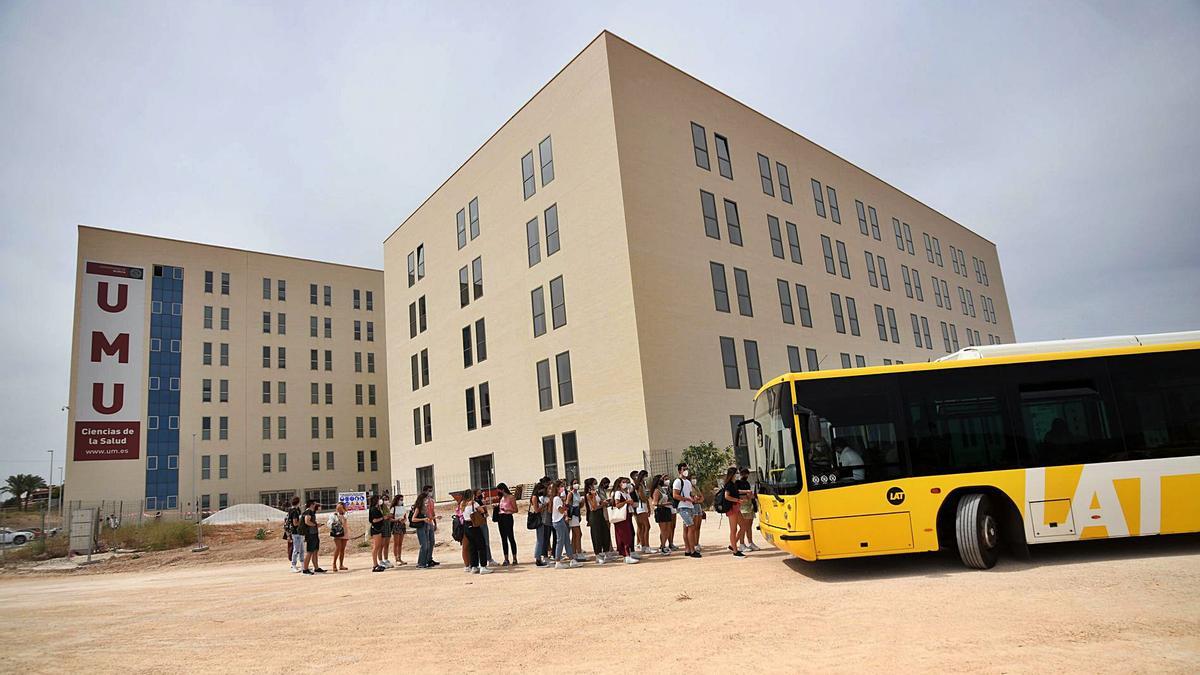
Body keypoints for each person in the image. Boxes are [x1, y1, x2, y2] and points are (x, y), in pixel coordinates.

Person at [461, 489, 493, 574]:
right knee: (481, 545)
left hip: (466, 526)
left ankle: (474, 566)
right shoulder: (473, 503)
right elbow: (482, 511)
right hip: (474, 525)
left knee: (472, 547)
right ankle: (483, 566)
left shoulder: (462, 504)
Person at [550, 480, 582, 568]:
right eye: (561, 486)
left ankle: (571, 559)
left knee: (567, 540)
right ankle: (557, 561)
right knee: (560, 541)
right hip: (558, 521)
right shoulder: (556, 499)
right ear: (557, 488)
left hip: (561, 520)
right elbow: (560, 510)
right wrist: (566, 507)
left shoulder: (558, 498)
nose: (562, 488)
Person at [673, 463, 701, 558]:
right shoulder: (677, 481)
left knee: (687, 528)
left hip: (690, 506)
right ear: (680, 470)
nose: (686, 470)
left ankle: (688, 549)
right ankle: (692, 550)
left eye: (687, 469)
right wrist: (686, 499)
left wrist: (694, 497)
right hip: (682, 507)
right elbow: (675, 495)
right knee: (691, 526)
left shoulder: (688, 482)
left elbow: (689, 493)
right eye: (684, 469)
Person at [611, 477, 639, 564]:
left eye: (626, 482)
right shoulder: (618, 493)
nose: (625, 484)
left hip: (628, 515)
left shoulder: (626, 492)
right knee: (624, 535)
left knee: (630, 534)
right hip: (622, 517)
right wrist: (626, 502)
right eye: (623, 482)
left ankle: (629, 553)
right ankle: (626, 555)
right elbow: (617, 504)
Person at [585, 477, 613, 564]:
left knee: (605, 532)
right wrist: (600, 503)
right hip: (595, 515)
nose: (596, 485)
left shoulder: (596, 493)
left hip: (601, 514)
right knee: (597, 535)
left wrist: (604, 502)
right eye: (594, 483)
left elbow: (599, 502)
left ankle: (606, 552)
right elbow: (593, 507)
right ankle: (598, 555)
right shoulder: (589, 494)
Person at [721, 467, 747, 558]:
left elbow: (736, 492)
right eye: (736, 473)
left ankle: (733, 545)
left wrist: (746, 492)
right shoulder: (729, 484)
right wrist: (738, 500)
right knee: (733, 529)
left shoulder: (733, 483)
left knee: (743, 526)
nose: (737, 475)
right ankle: (735, 551)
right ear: (732, 474)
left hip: (736, 507)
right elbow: (727, 496)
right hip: (732, 508)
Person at [412, 485, 438, 569]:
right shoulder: (419, 507)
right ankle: (421, 562)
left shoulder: (431, 502)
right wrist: (424, 519)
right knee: (424, 544)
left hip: (428, 524)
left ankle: (428, 560)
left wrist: (435, 521)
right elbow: (414, 518)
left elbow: (431, 513)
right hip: (422, 525)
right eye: (429, 490)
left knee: (430, 542)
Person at [737, 467, 760, 552]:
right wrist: (745, 493)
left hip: (749, 506)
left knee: (749, 526)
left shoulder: (746, 482)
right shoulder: (737, 482)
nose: (746, 475)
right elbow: (736, 492)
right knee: (743, 526)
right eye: (744, 474)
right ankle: (741, 544)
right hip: (742, 507)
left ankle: (750, 543)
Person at [494, 483, 518, 566]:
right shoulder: (501, 498)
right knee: (503, 538)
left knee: (511, 537)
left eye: (499, 490)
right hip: (501, 518)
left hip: (508, 517)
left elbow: (516, 510)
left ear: (503, 489)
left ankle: (514, 558)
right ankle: (506, 558)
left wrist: (507, 509)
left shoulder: (511, 497)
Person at [301, 499, 325, 574]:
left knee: (315, 551)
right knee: (310, 552)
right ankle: (305, 569)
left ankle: (316, 567)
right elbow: (307, 521)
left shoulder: (311, 512)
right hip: (310, 534)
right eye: (315, 504)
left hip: (314, 533)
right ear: (312, 504)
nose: (316, 505)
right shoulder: (308, 512)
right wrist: (315, 525)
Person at [651, 474, 673, 556]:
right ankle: (663, 547)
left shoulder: (663, 490)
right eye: (663, 479)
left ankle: (663, 545)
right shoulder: (657, 490)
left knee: (667, 530)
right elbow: (655, 502)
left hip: (666, 510)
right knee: (663, 530)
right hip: (661, 511)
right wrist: (666, 503)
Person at [475, 490, 498, 567]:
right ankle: (488, 559)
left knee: (484, 542)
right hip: (481, 523)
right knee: (485, 542)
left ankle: (486, 559)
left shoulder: (478, 501)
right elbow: (485, 513)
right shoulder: (477, 502)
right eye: (479, 493)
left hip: (480, 523)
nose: (481, 494)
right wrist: (484, 507)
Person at [631, 470, 652, 555]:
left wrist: (649, 507)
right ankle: (646, 546)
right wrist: (646, 497)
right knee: (647, 526)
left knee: (644, 527)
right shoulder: (639, 485)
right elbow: (642, 497)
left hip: (644, 506)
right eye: (645, 476)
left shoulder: (643, 485)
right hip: (641, 507)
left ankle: (644, 545)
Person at [568, 478, 586, 562]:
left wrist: (582, 503)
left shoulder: (578, 493)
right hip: (573, 515)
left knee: (575, 535)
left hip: (577, 514)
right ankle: (579, 553)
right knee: (578, 534)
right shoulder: (570, 494)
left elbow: (580, 505)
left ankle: (573, 552)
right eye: (574, 483)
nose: (576, 484)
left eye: (577, 483)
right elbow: (568, 504)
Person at [368, 495, 386, 572]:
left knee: (379, 546)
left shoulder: (377, 508)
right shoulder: (373, 509)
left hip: (379, 529)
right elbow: (374, 520)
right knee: (376, 546)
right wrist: (383, 518)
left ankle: (377, 564)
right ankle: (375, 564)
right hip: (376, 529)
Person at [329, 501, 349, 571]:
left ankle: (341, 565)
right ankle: (334, 564)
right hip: (336, 533)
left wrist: (343, 512)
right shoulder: (333, 515)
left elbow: (345, 517)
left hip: (344, 532)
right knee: (338, 548)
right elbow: (329, 523)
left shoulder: (345, 514)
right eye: (338, 507)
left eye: (340, 507)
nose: (339, 509)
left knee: (342, 549)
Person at [287, 496, 304, 572]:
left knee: (301, 549)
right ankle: (293, 565)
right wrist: (302, 522)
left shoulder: (293, 510)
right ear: (298, 502)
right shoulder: (294, 511)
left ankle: (303, 565)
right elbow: (295, 523)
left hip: (297, 532)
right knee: (297, 549)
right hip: (296, 532)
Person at [390, 494, 408, 566]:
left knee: (400, 543)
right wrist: (397, 519)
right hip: (396, 525)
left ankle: (400, 558)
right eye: (400, 499)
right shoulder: (393, 508)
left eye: (402, 500)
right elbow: (390, 518)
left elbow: (405, 516)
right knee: (396, 543)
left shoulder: (403, 508)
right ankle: (396, 558)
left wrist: (404, 520)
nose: (401, 501)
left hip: (402, 525)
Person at [379, 494, 394, 569]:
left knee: (387, 544)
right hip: (382, 526)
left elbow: (389, 516)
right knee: (381, 545)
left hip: (388, 525)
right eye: (384, 499)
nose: (386, 500)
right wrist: (386, 516)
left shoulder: (388, 507)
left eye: (387, 499)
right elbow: (382, 517)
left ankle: (386, 559)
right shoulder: (380, 507)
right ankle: (380, 560)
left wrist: (389, 516)